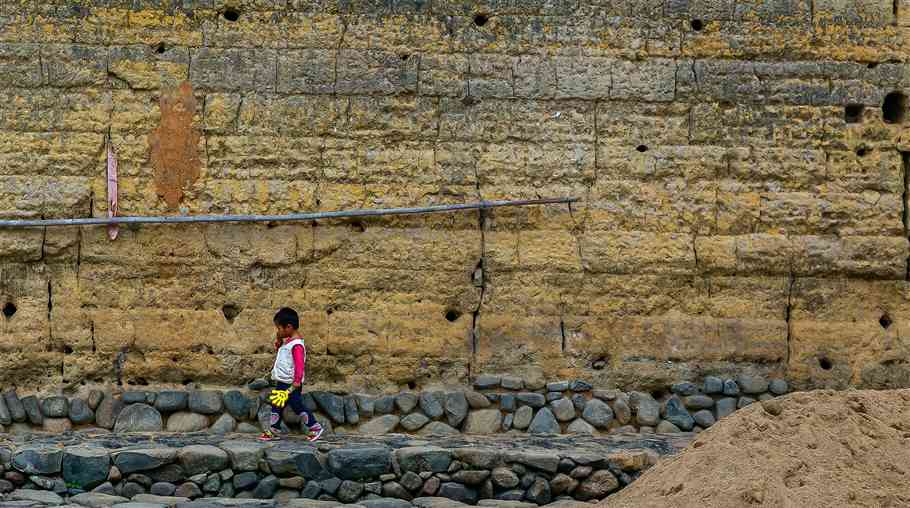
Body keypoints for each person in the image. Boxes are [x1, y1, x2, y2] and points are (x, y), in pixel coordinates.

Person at [259, 307, 323, 442]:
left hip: (292, 384)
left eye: (279, 328)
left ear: (288, 327)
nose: (278, 331)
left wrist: (297, 381)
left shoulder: (297, 345)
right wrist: (279, 342)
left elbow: (299, 365)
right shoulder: (288, 342)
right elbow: (283, 355)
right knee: (277, 404)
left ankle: (315, 427)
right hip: (283, 382)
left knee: (297, 405)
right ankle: (274, 429)